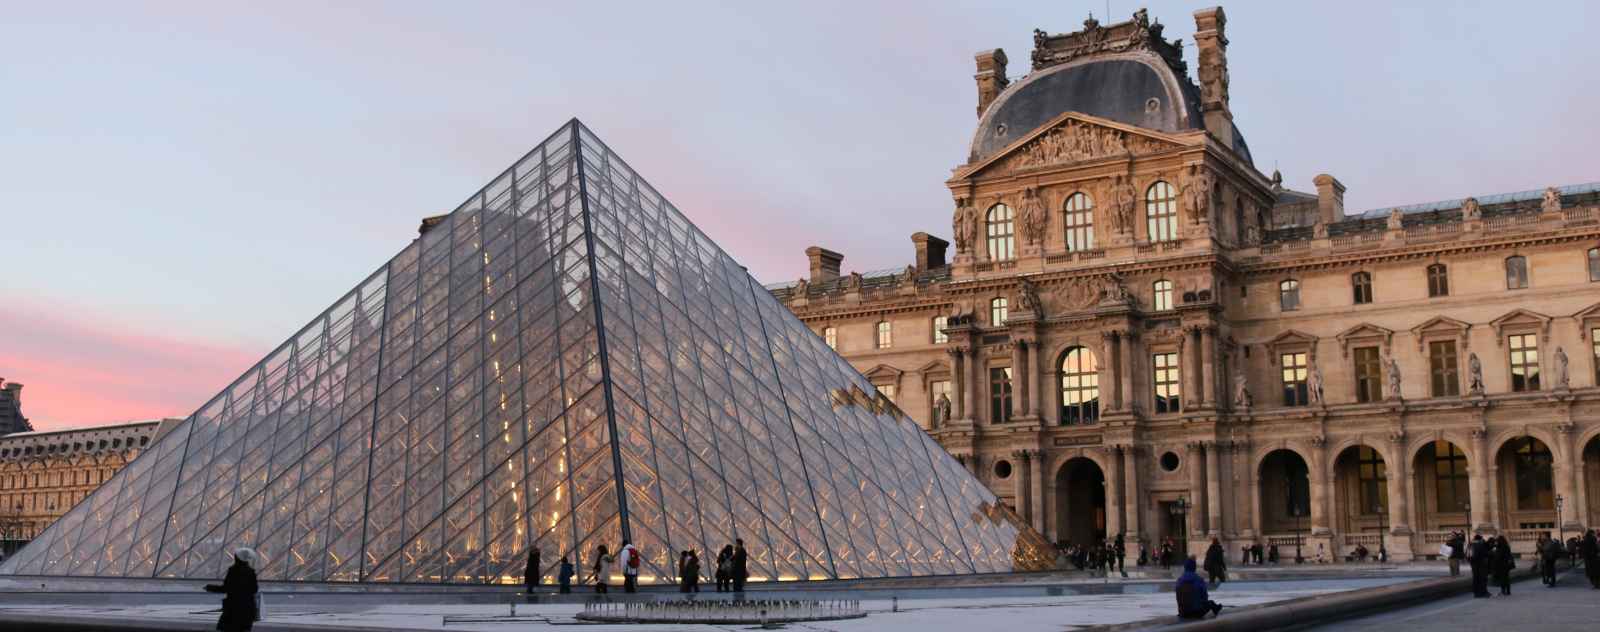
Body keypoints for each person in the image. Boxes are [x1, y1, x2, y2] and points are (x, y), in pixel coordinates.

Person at [203, 547, 259, 632]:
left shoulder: (233, 571)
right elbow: (254, 589)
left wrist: (210, 587)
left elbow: (226, 588)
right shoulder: (251, 572)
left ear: (237, 558)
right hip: (248, 609)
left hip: (233, 609)